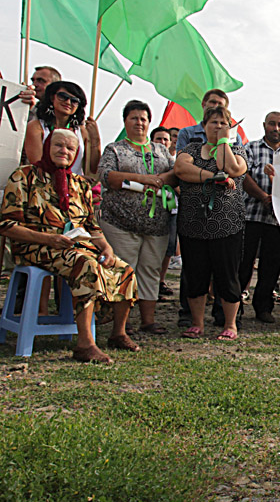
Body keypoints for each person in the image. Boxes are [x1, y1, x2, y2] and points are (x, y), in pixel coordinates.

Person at [0, 129, 138, 363]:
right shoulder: (24, 177)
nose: (64, 151)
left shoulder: (80, 185)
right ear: (47, 147)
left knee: (124, 268)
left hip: (75, 246)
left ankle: (118, 333)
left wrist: (106, 248)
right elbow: (7, 225)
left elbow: (90, 225)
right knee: (85, 265)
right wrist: (49, 239)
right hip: (36, 247)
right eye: (58, 145)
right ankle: (85, 344)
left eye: (70, 148)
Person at [98, 101, 177, 335]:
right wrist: (144, 180)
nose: (139, 122)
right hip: (120, 223)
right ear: (125, 121)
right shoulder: (115, 149)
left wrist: (160, 179)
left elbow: (176, 174)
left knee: (151, 271)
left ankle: (148, 320)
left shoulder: (161, 151)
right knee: (124, 270)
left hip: (157, 225)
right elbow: (106, 175)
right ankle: (122, 322)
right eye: (134, 118)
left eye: (143, 118)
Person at [173, 105, 248, 341]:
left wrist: (224, 141)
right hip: (193, 224)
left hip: (227, 225)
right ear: (203, 126)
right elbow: (181, 169)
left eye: (223, 122)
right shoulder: (191, 149)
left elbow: (231, 168)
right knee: (195, 275)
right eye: (213, 122)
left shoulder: (237, 151)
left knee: (227, 275)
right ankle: (197, 323)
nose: (217, 126)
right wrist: (213, 177)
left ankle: (230, 324)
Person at [239, 112, 280, 324]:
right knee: (243, 264)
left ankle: (264, 307)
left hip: (277, 221)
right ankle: (234, 307)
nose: (276, 128)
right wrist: (264, 197)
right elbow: (242, 175)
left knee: (271, 266)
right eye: (272, 124)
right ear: (264, 125)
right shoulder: (250, 148)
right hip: (250, 214)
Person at [24, 81, 100, 176]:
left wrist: (95, 139)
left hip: (74, 188)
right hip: (44, 185)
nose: (68, 102)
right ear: (52, 97)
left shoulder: (82, 132)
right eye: (63, 96)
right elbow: (38, 164)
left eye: (74, 100)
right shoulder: (36, 127)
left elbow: (93, 169)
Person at [150, 127, 177, 296]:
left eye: (165, 139)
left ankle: (160, 281)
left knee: (169, 247)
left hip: (171, 208)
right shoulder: (146, 158)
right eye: (158, 139)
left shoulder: (175, 161)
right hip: (150, 208)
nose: (162, 142)